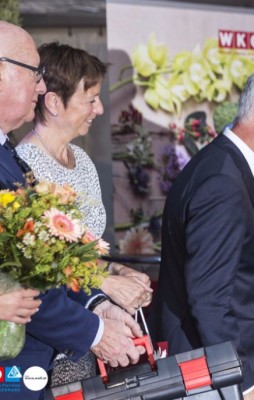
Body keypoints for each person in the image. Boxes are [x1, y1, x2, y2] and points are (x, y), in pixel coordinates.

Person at [0, 22, 145, 400]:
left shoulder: (10, 157)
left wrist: (97, 300)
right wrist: (95, 328)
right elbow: (27, 274)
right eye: (33, 74)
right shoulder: (23, 158)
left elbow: (46, 261)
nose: (40, 87)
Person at [151, 66, 254, 400]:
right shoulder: (222, 180)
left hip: (210, 364)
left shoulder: (226, 165)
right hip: (208, 373)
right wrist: (242, 382)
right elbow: (209, 298)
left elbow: (233, 259)